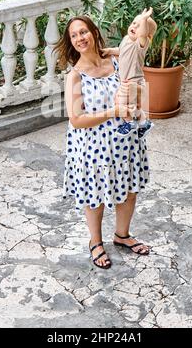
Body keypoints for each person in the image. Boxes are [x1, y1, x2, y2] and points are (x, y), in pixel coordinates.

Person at [54, 14, 156, 269]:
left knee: (130, 190)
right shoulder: (75, 75)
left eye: (83, 32)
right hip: (93, 148)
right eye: (74, 35)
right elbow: (76, 119)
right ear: (71, 41)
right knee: (95, 197)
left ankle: (122, 235)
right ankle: (95, 242)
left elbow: (137, 50)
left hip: (125, 141)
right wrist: (113, 112)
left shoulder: (115, 59)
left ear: (93, 32)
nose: (80, 38)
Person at [102, 8, 157, 137]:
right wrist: (110, 50)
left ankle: (130, 123)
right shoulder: (127, 38)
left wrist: (144, 19)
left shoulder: (141, 44)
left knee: (121, 102)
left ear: (147, 35)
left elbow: (142, 34)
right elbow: (121, 51)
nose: (135, 27)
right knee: (133, 105)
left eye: (140, 26)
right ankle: (143, 123)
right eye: (134, 23)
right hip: (126, 80)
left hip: (133, 80)